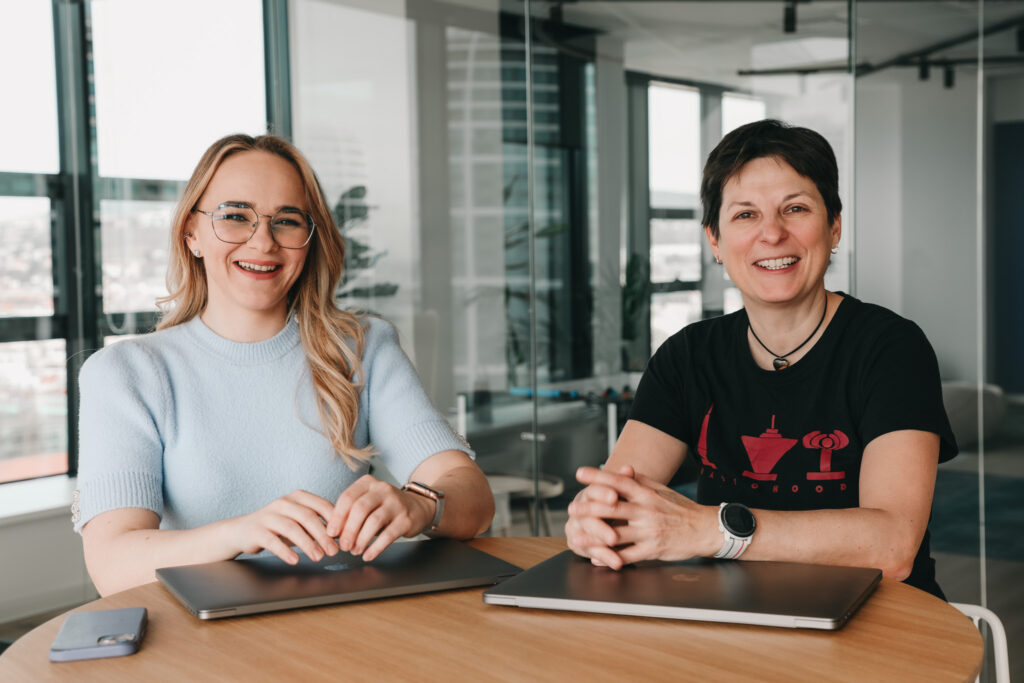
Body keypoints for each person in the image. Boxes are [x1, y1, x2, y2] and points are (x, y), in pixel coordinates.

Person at [75, 134, 494, 596]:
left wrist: (420, 506)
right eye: (235, 217)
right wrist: (242, 533)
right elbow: (111, 566)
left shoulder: (363, 348)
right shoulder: (126, 374)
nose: (263, 242)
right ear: (190, 234)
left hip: (337, 633)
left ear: (309, 240)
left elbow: (472, 497)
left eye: (287, 221)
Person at [566, 119, 956, 598]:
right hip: (737, 621)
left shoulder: (892, 349)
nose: (771, 234)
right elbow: (618, 505)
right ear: (714, 240)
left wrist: (713, 530)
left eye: (795, 208)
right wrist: (594, 523)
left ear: (834, 226)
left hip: (882, 624)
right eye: (745, 215)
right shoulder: (687, 357)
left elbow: (893, 546)